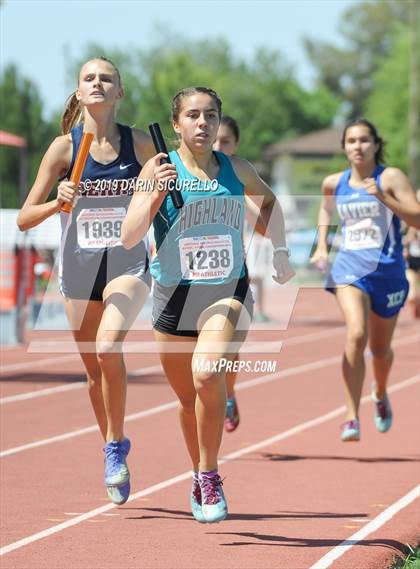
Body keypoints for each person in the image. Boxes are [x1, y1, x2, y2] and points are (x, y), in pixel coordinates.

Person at [121, 86, 294, 523]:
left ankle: (210, 472)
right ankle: (198, 473)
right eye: (194, 116)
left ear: (219, 122)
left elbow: (269, 202)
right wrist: (154, 197)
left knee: (206, 372)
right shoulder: (158, 170)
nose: (203, 123)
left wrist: (280, 252)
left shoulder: (236, 168)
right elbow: (128, 235)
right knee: (186, 400)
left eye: (211, 115)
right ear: (176, 124)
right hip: (173, 299)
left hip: (227, 292)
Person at [17, 57, 155, 504]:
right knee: (95, 374)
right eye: (89, 78)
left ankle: (114, 446)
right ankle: (113, 444)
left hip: (128, 265)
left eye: (107, 78)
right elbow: (24, 218)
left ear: (120, 92)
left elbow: (173, 193)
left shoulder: (140, 144)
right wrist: (58, 202)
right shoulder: (63, 149)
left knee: (108, 346)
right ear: (79, 93)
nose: (97, 84)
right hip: (79, 270)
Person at [310, 118, 420, 442]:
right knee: (356, 333)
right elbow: (325, 210)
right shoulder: (334, 182)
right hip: (349, 268)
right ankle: (350, 416)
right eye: (351, 141)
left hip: (387, 273)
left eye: (364, 140)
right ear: (344, 146)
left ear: (375, 144)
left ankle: (380, 392)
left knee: (381, 351)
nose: (357, 147)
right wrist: (321, 245)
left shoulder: (391, 177)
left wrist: (384, 198)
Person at [213, 115, 270, 433]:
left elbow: (265, 228)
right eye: (215, 140)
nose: (218, 146)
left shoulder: (239, 178)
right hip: (187, 278)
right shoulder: (185, 172)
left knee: (227, 352)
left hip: (232, 274)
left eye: (226, 141)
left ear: (236, 145)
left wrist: (241, 200)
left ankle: (229, 393)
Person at [403, 190, 420, 318]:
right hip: (414, 257)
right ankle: (415, 301)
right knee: (411, 294)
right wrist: (406, 249)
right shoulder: (413, 219)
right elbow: (409, 236)